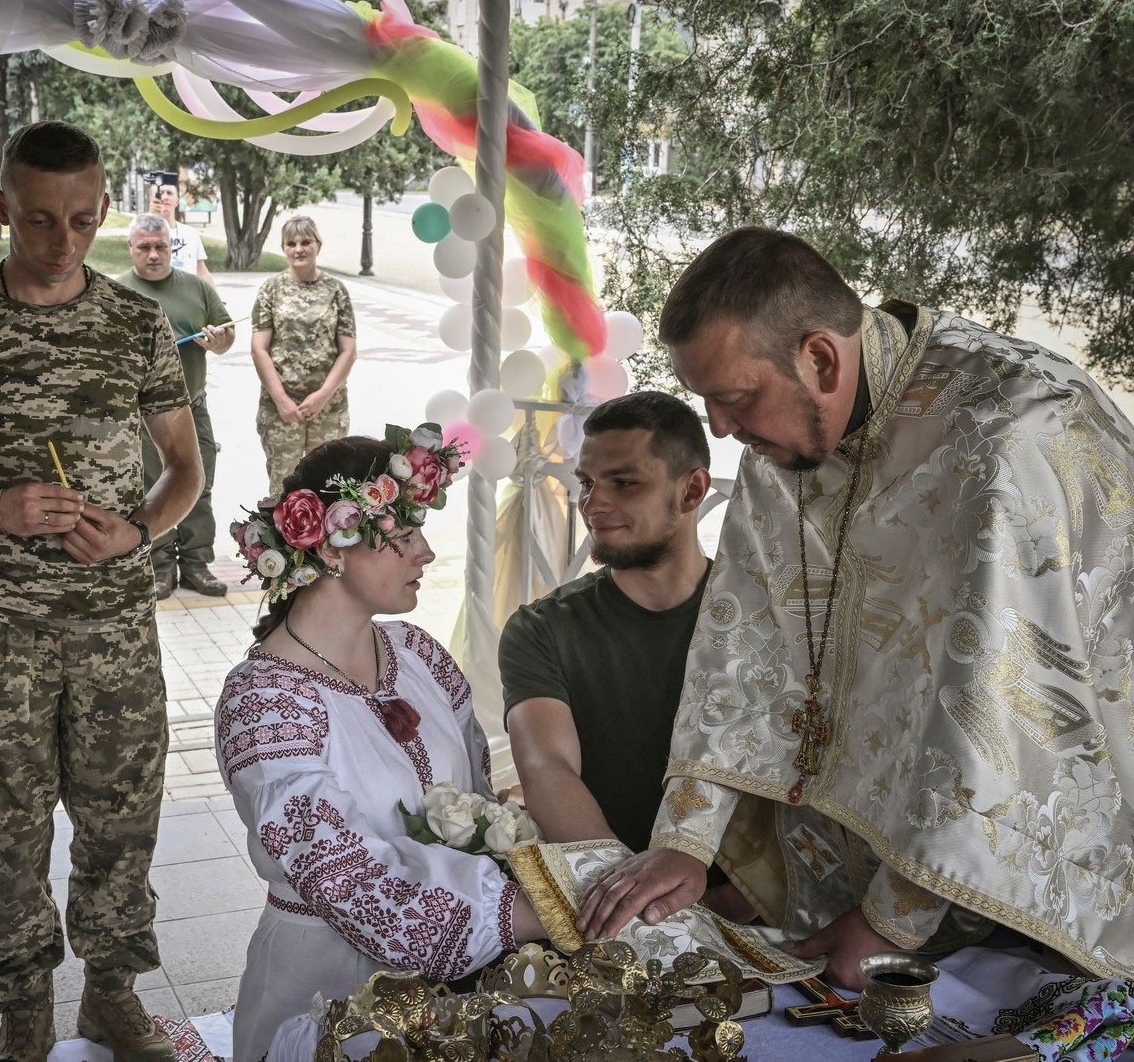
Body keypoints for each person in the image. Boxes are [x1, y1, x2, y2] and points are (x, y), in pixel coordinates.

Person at [581, 226, 1134, 990]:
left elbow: (1003, 708)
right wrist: (687, 837)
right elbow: (743, 634)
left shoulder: (1008, 438)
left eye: (734, 398)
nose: (719, 428)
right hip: (866, 860)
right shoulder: (789, 435)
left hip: (1049, 857)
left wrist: (889, 923)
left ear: (821, 359)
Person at [0, 120, 203, 1062]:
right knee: (11, 829)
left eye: (81, 219)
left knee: (122, 821)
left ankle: (110, 994)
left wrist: (140, 530)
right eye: (38, 219)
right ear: (1, 209)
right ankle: (22, 1007)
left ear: (105, 209)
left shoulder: (135, 322)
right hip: (5, 631)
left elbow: (185, 466)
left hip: (115, 626)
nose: (62, 240)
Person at [216, 426, 545, 1062]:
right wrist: (525, 913)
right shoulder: (263, 699)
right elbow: (340, 873)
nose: (426, 553)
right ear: (333, 547)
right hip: (325, 986)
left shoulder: (418, 653)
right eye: (404, 535)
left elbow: (482, 799)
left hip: (462, 985)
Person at [500, 391, 760, 913]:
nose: (593, 504)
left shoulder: (761, 622)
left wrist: (742, 902)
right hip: (604, 906)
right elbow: (547, 768)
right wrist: (634, 905)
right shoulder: (542, 629)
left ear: (692, 491)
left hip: (753, 910)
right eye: (587, 483)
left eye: (623, 483)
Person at [114, 212, 234, 599]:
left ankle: (197, 565)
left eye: (160, 246)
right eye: (144, 247)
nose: (153, 254)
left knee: (199, 483)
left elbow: (227, 332)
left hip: (192, 404)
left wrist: (220, 341)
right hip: (144, 414)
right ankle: (161, 566)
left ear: (171, 247)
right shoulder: (116, 293)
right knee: (154, 488)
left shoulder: (196, 288)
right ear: (131, 248)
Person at [250, 216, 357, 494]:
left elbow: (348, 351)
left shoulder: (336, 290)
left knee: (330, 490)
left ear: (318, 244)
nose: (299, 249)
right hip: (282, 412)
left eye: (306, 242)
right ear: (284, 248)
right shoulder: (271, 289)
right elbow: (259, 349)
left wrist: (323, 395)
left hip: (328, 409)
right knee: (283, 491)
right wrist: (281, 400)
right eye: (291, 243)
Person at [148, 173, 210, 282]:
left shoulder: (191, 234)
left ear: (177, 201)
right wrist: (151, 218)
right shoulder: (144, 233)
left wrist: (214, 293)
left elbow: (202, 272)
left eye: (169, 193)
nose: (165, 197)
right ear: (151, 199)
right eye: (160, 193)